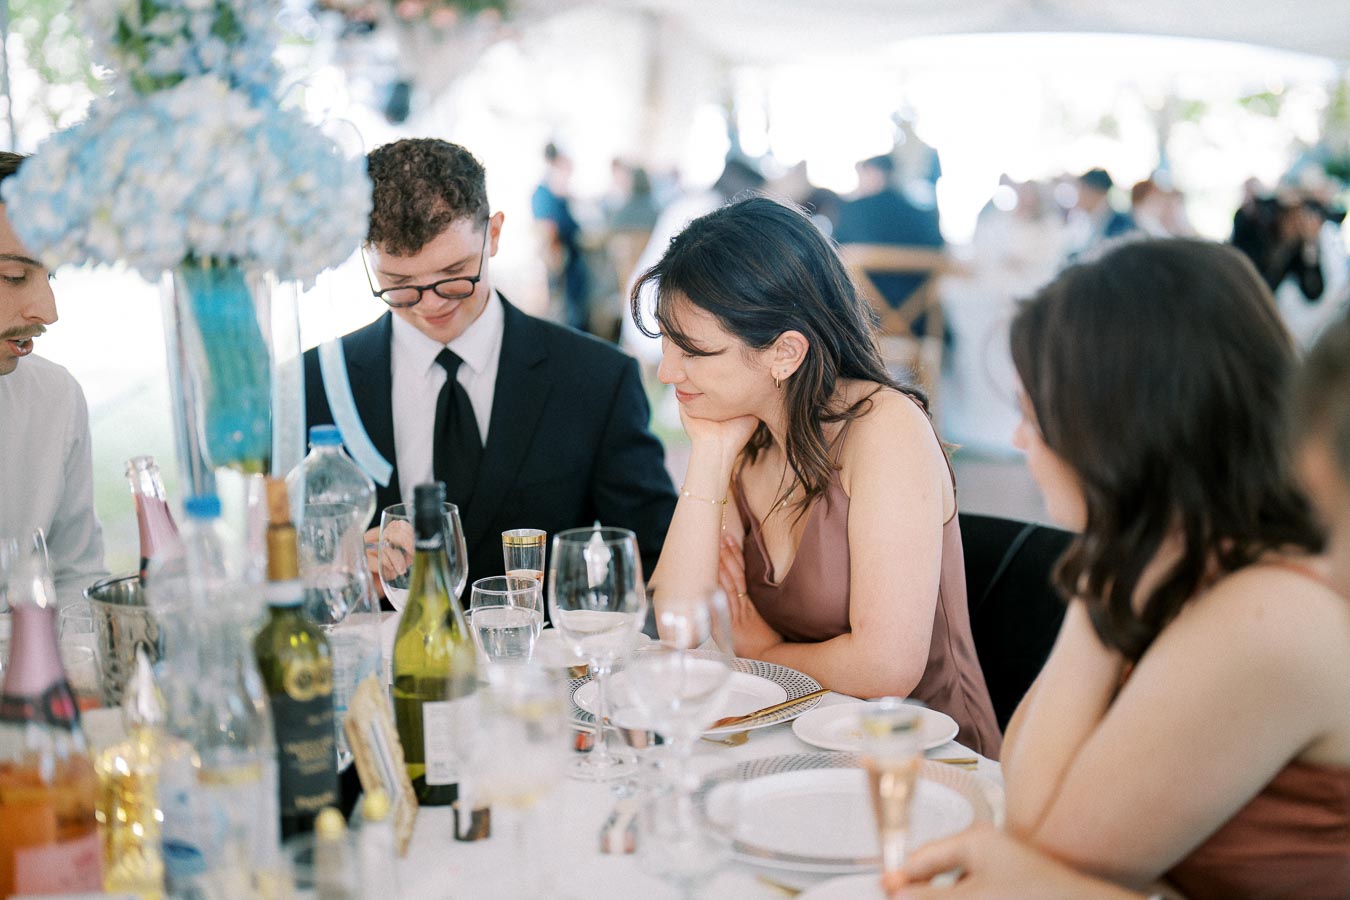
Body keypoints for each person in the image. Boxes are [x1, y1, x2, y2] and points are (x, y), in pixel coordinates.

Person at [998, 239, 1349, 898]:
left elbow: (1040, 852)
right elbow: (1018, 772)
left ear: (1114, 428)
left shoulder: (1268, 614)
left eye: (1030, 412)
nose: (1020, 440)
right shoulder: (1199, 558)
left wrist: (1105, 561)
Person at [634, 196, 1001, 757]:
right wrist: (708, 456)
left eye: (693, 350)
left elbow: (885, 670)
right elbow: (676, 625)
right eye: (666, 340)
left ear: (785, 352)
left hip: (918, 760)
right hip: (790, 741)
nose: (666, 371)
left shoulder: (884, 429)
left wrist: (758, 651)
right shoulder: (740, 428)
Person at [303, 139, 677, 589]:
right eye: (400, 285)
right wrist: (336, 563)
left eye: (455, 275)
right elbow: (279, 558)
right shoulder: (316, 381)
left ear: (493, 235)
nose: (431, 305)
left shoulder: (596, 379)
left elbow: (656, 556)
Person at [0, 151, 106, 608]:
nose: (48, 311)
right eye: (15, 275)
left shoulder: (55, 399)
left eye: (51, 274)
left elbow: (77, 581)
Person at [531, 142, 591, 334]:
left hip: (560, 250)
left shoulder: (543, 191)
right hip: (561, 252)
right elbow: (562, 227)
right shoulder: (549, 191)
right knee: (583, 271)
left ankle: (578, 322)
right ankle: (578, 325)